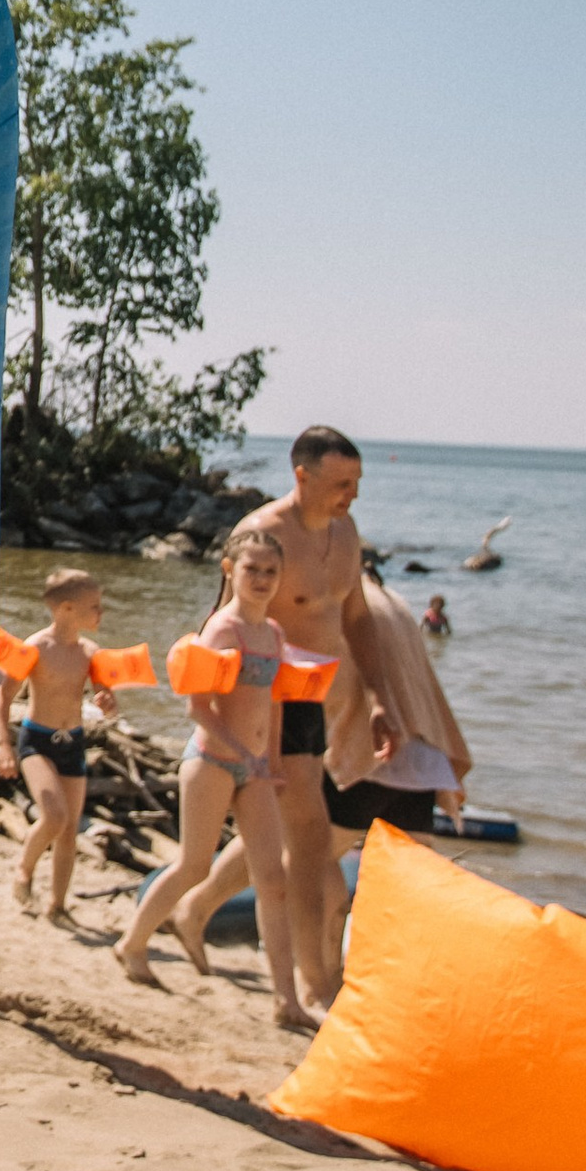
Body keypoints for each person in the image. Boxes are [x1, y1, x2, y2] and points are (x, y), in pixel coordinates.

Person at [175, 428, 396, 1007]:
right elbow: (222, 619)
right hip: (272, 705)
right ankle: (315, 983)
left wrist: (377, 697)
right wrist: (213, 710)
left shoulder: (346, 532)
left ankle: (194, 911)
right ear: (303, 475)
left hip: (324, 703)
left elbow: (357, 619)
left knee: (271, 836)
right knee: (312, 837)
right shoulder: (264, 535)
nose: (352, 494)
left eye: (357, 483)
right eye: (341, 483)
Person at [116, 523, 318, 1031]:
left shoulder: (272, 633)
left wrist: (270, 762)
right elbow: (199, 711)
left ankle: (286, 1000)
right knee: (192, 867)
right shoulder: (221, 630)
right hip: (210, 762)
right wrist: (241, 756)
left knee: (273, 881)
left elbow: (271, 706)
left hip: (254, 771)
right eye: (252, 569)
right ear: (230, 569)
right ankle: (131, 944)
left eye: (271, 571)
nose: (262, 579)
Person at [0, 570, 151, 924]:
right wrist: (4, 744)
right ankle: (24, 866)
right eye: (94, 606)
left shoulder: (89, 652)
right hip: (36, 741)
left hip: (73, 743)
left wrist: (109, 704)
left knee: (68, 832)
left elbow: (106, 699)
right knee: (54, 815)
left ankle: (58, 905)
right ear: (66, 609)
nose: (101, 613)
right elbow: (2, 698)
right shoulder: (36, 647)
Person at [324, 577, 472, 837]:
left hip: (368, 760)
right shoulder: (395, 603)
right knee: (409, 862)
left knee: (309, 852)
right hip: (425, 760)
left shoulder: (336, 598)